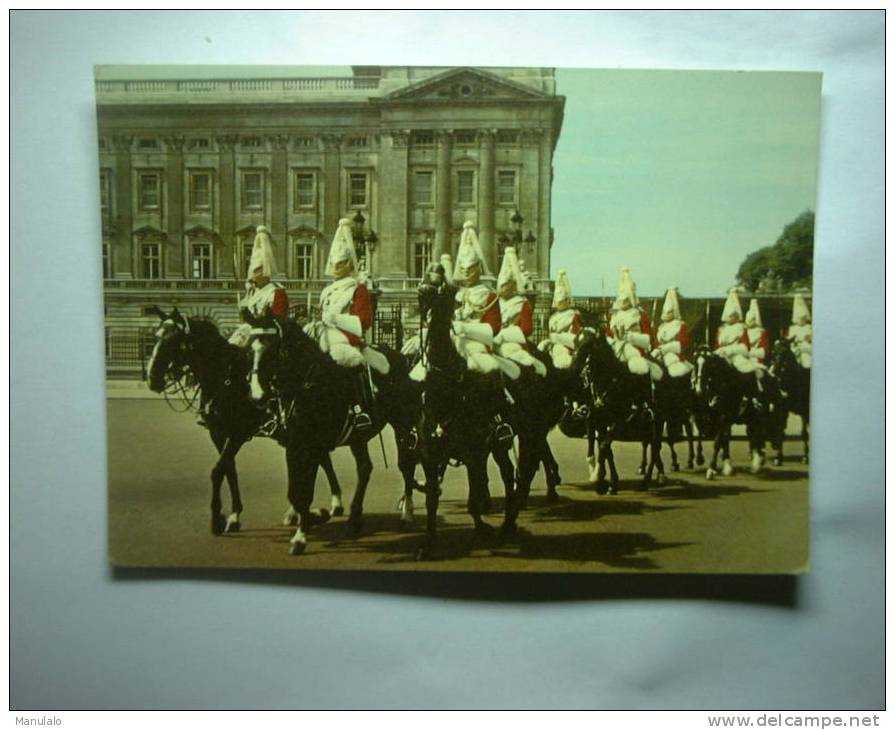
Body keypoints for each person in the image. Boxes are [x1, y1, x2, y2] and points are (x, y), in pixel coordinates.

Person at [314, 217, 390, 429]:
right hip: (324, 336)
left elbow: (363, 322)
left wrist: (336, 319)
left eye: (342, 263)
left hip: (349, 341)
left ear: (350, 264)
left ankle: (359, 411)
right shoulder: (327, 291)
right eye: (335, 263)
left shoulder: (358, 289)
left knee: (349, 363)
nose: (337, 267)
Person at [227, 225, 289, 401]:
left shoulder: (277, 292)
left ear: (265, 271)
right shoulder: (251, 293)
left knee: (257, 351)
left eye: (256, 271)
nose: (252, 275)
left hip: (268, 338)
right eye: (252, 271)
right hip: (251, 335)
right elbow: (246, 321)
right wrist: (244, 312)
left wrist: (255, 320)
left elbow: (278, 320)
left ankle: (257, 387)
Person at [493, 246, 546, 376]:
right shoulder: (494, 303)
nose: (501, 289)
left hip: (513, 345)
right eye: (500, 286)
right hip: (493, 343)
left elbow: (527, 329)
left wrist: (504, 335)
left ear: (513, 286)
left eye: (505, 286)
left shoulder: (522, 304)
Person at [607, 267, 662, 381]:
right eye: (621, 299)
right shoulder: (613, 315)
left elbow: (649, 339)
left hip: (636, 353)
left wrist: (631, 338)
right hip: (616, 352)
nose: (623, 302)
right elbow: (608, 335)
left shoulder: (640, 314)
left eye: (626, 299)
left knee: (639, 368)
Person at [539, 269, 582, 370]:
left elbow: (576, 337)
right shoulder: (553, 317)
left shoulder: (574, 315)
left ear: (567, 300)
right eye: (558, 302)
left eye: (561, 301)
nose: (559, 304)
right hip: (552, 345)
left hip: (566, 347)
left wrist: (558, 338)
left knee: (561, 359)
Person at [651, 286, 693, 378]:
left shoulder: (680, 325)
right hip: (660, 353)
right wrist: (659, 350)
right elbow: (657, 343)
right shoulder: (661, 327)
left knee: (674, 367)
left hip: (675, 355)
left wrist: (666, 348)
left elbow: (683, 344)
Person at [714, 289, 758, 374]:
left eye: (733, 316)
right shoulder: (721, 329)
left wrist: (731, 350)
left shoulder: (741, 328)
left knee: (744, 369)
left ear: (737, 316)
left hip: (737, 356)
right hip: (721, 354)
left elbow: (745, 347)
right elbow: (717, 346)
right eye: (730, 316)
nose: (731, 318)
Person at [786, 293, 812, 368]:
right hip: (795, 351)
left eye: (803, 318)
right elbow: (790, 341)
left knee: (807, 364)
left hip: (806, 352)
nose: (801, 320)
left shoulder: (809, 328)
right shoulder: (792, 329)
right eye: (799, 318)